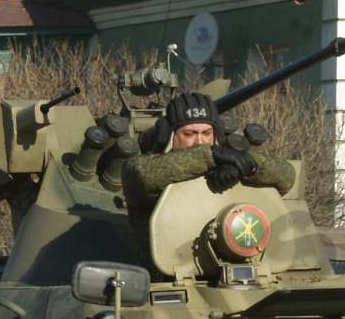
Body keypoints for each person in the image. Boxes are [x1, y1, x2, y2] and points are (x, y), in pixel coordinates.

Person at [121, 91, 296, 237]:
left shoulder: (225, 160)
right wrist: (211, 155)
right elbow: (142, 176)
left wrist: (246, 166)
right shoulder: (145, 166)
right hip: (162, 273)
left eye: (206, 132)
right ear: (170, 136)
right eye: (189, 134)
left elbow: (287, 175)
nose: (200, 141)